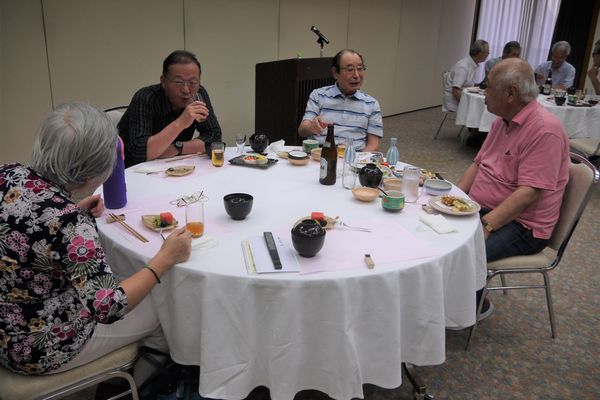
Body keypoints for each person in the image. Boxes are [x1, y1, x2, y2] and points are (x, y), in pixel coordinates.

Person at [0, 102, 192, 377]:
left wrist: (72, 210)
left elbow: (23, 224)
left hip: (8, 322)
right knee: (163, 306)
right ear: (93, 173)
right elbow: (108, 307)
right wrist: (164, 258)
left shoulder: (8, 173)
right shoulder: (69, 223)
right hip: (38, 345)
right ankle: (142, 383)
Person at [458, 58, 570, 319]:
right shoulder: (501, 121)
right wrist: (453, 198)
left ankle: (473, 306)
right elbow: (478, 165)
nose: (484, 92)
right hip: (486, 209)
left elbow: (529, 193)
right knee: (434, 230)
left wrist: (486, 225)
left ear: (510, 93)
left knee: (464, 252)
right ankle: (446, 297)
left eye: (488, 86)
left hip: (523, 225)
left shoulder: (545, 131)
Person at [119, 50, 222, 167]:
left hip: (171, 164)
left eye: (193, 82)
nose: (186, 90)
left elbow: (214, 138)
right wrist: (181, 123)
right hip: (129, 168)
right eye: (178, 82)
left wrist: (177, 148)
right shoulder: (146, 97)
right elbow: (139, 152)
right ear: (163, 81)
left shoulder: (199, 94)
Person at [298, 49, 383, 151]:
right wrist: (311, 128)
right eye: (350, 69)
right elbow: (302, 130)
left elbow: (373, 145)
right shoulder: (318, 95)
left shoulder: (371, 104)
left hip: (353, 156)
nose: (356, 75)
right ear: (335, 72)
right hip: (321, 154)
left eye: (360, 69)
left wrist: (357, 159)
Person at [443, 39, 490, 112]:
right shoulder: (463, 67)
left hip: (464, 97)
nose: (488, 55)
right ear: (480, 53)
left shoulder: (471, 65)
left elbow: (467, 84)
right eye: (487, 52)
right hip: (454, 102)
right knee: (482, 110)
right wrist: (468, 105)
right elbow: (455, 91)